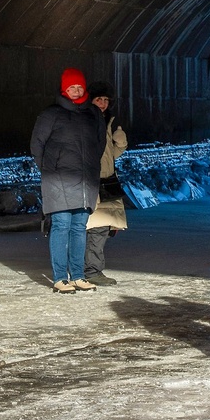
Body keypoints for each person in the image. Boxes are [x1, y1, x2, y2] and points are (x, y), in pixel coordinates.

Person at [31, 68, 107, 294]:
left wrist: (90, 166)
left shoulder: (93, 114)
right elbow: (37, 147)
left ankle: (78, 275)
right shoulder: (50, 114)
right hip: (58, 180)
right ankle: (59, 278)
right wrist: (50, 170)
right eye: (71, 87)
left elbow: (99, 144)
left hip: (85, 180)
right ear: (64, 89)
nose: (76, 91)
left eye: (79, 87)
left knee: (79, 228)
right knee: (61, 226)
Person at [84, 82, 129, 285]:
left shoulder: (107, 121)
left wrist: (120, 145)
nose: (102, 103)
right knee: (94, 227)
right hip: (91, 181)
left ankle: (90, 269)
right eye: (98, 99)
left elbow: (108, 156)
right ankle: (91, 270)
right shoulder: (86, 121)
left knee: (102, 228)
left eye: (105, 100)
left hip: (107, 180)